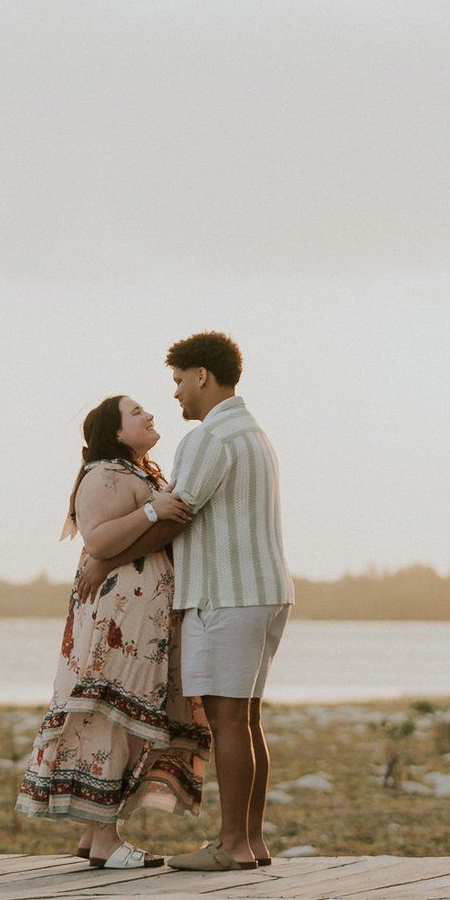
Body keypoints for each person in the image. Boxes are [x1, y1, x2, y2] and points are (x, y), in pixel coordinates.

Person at [77, 332, 292, 871]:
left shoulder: (209, 439)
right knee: (246, 719)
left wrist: (105, 561)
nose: (174, 396)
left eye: (177, 381)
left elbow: (178, 513)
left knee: (226, 721)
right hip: (264, 592)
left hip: (227, 595)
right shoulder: (253, 433)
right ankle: (252, 843)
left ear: (202, 376)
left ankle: (233, 847)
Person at [15, 395, 211, 868]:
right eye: (135, 412)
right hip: (120, 616)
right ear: (115, 430)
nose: (148, 414)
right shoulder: (105, 475)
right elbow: (98, 539)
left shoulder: (137, 473)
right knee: (113, 714)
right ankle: (105, 839)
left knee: (126, 714)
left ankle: (93, 833)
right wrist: (152, 512)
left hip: (141, 613)